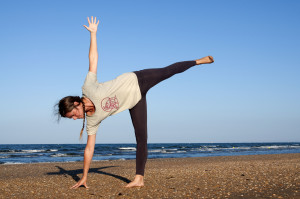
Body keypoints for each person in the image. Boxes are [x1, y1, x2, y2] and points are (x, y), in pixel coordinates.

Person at [55, 16, 214, 189]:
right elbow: (89, 149)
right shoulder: (92, 121)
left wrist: (93, 34)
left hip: (138, 80)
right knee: (142, 138)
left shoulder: (88, 87)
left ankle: (199, 61)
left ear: (76, 104)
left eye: (73, 115)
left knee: (168, 71)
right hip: (135, 101)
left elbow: (93, 59)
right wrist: (84, 176)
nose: (75, 119)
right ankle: (139, 178)